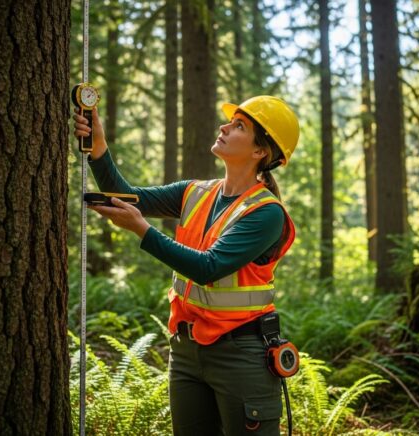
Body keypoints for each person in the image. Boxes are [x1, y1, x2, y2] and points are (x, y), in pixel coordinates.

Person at [72, 95, 299, 435]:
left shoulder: (266, 213)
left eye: (239, 126)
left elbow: (209, 267)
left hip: (240, 355)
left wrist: (142, 230)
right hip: (187, 351)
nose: (224, 127)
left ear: (259, 152)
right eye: (230, 121)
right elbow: (125, 194)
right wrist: (99, 147)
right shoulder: (195, 192)